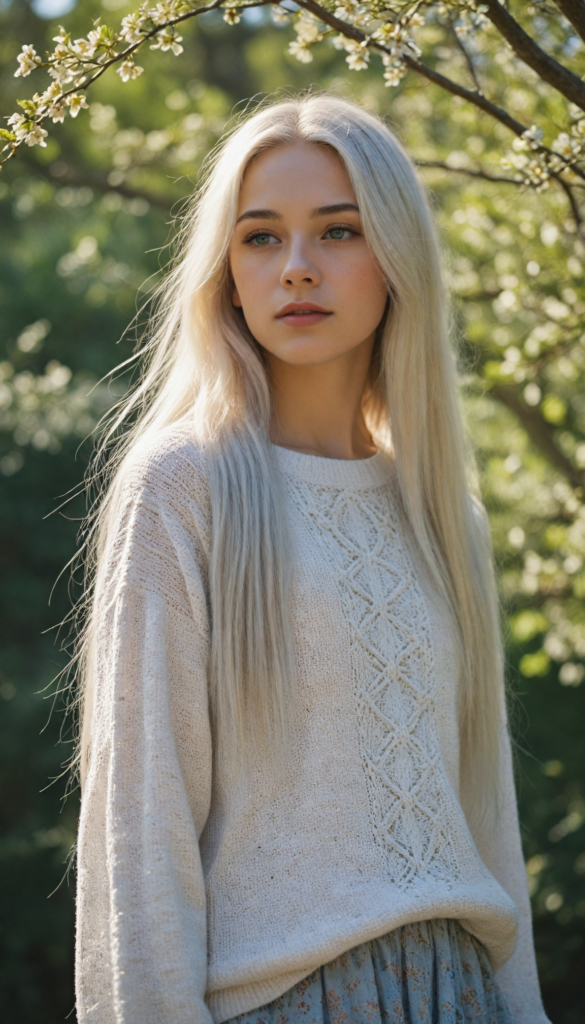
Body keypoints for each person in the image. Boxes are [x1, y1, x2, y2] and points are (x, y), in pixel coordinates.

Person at [74, 93, 550, 1024]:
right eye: (260, 238)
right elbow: (141, 826)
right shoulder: (183, 485)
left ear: (396, 259)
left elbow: (487, 816)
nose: (296, 268)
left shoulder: (442, 512)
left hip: (462, 996)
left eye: (338, 231)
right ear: (226, 273)